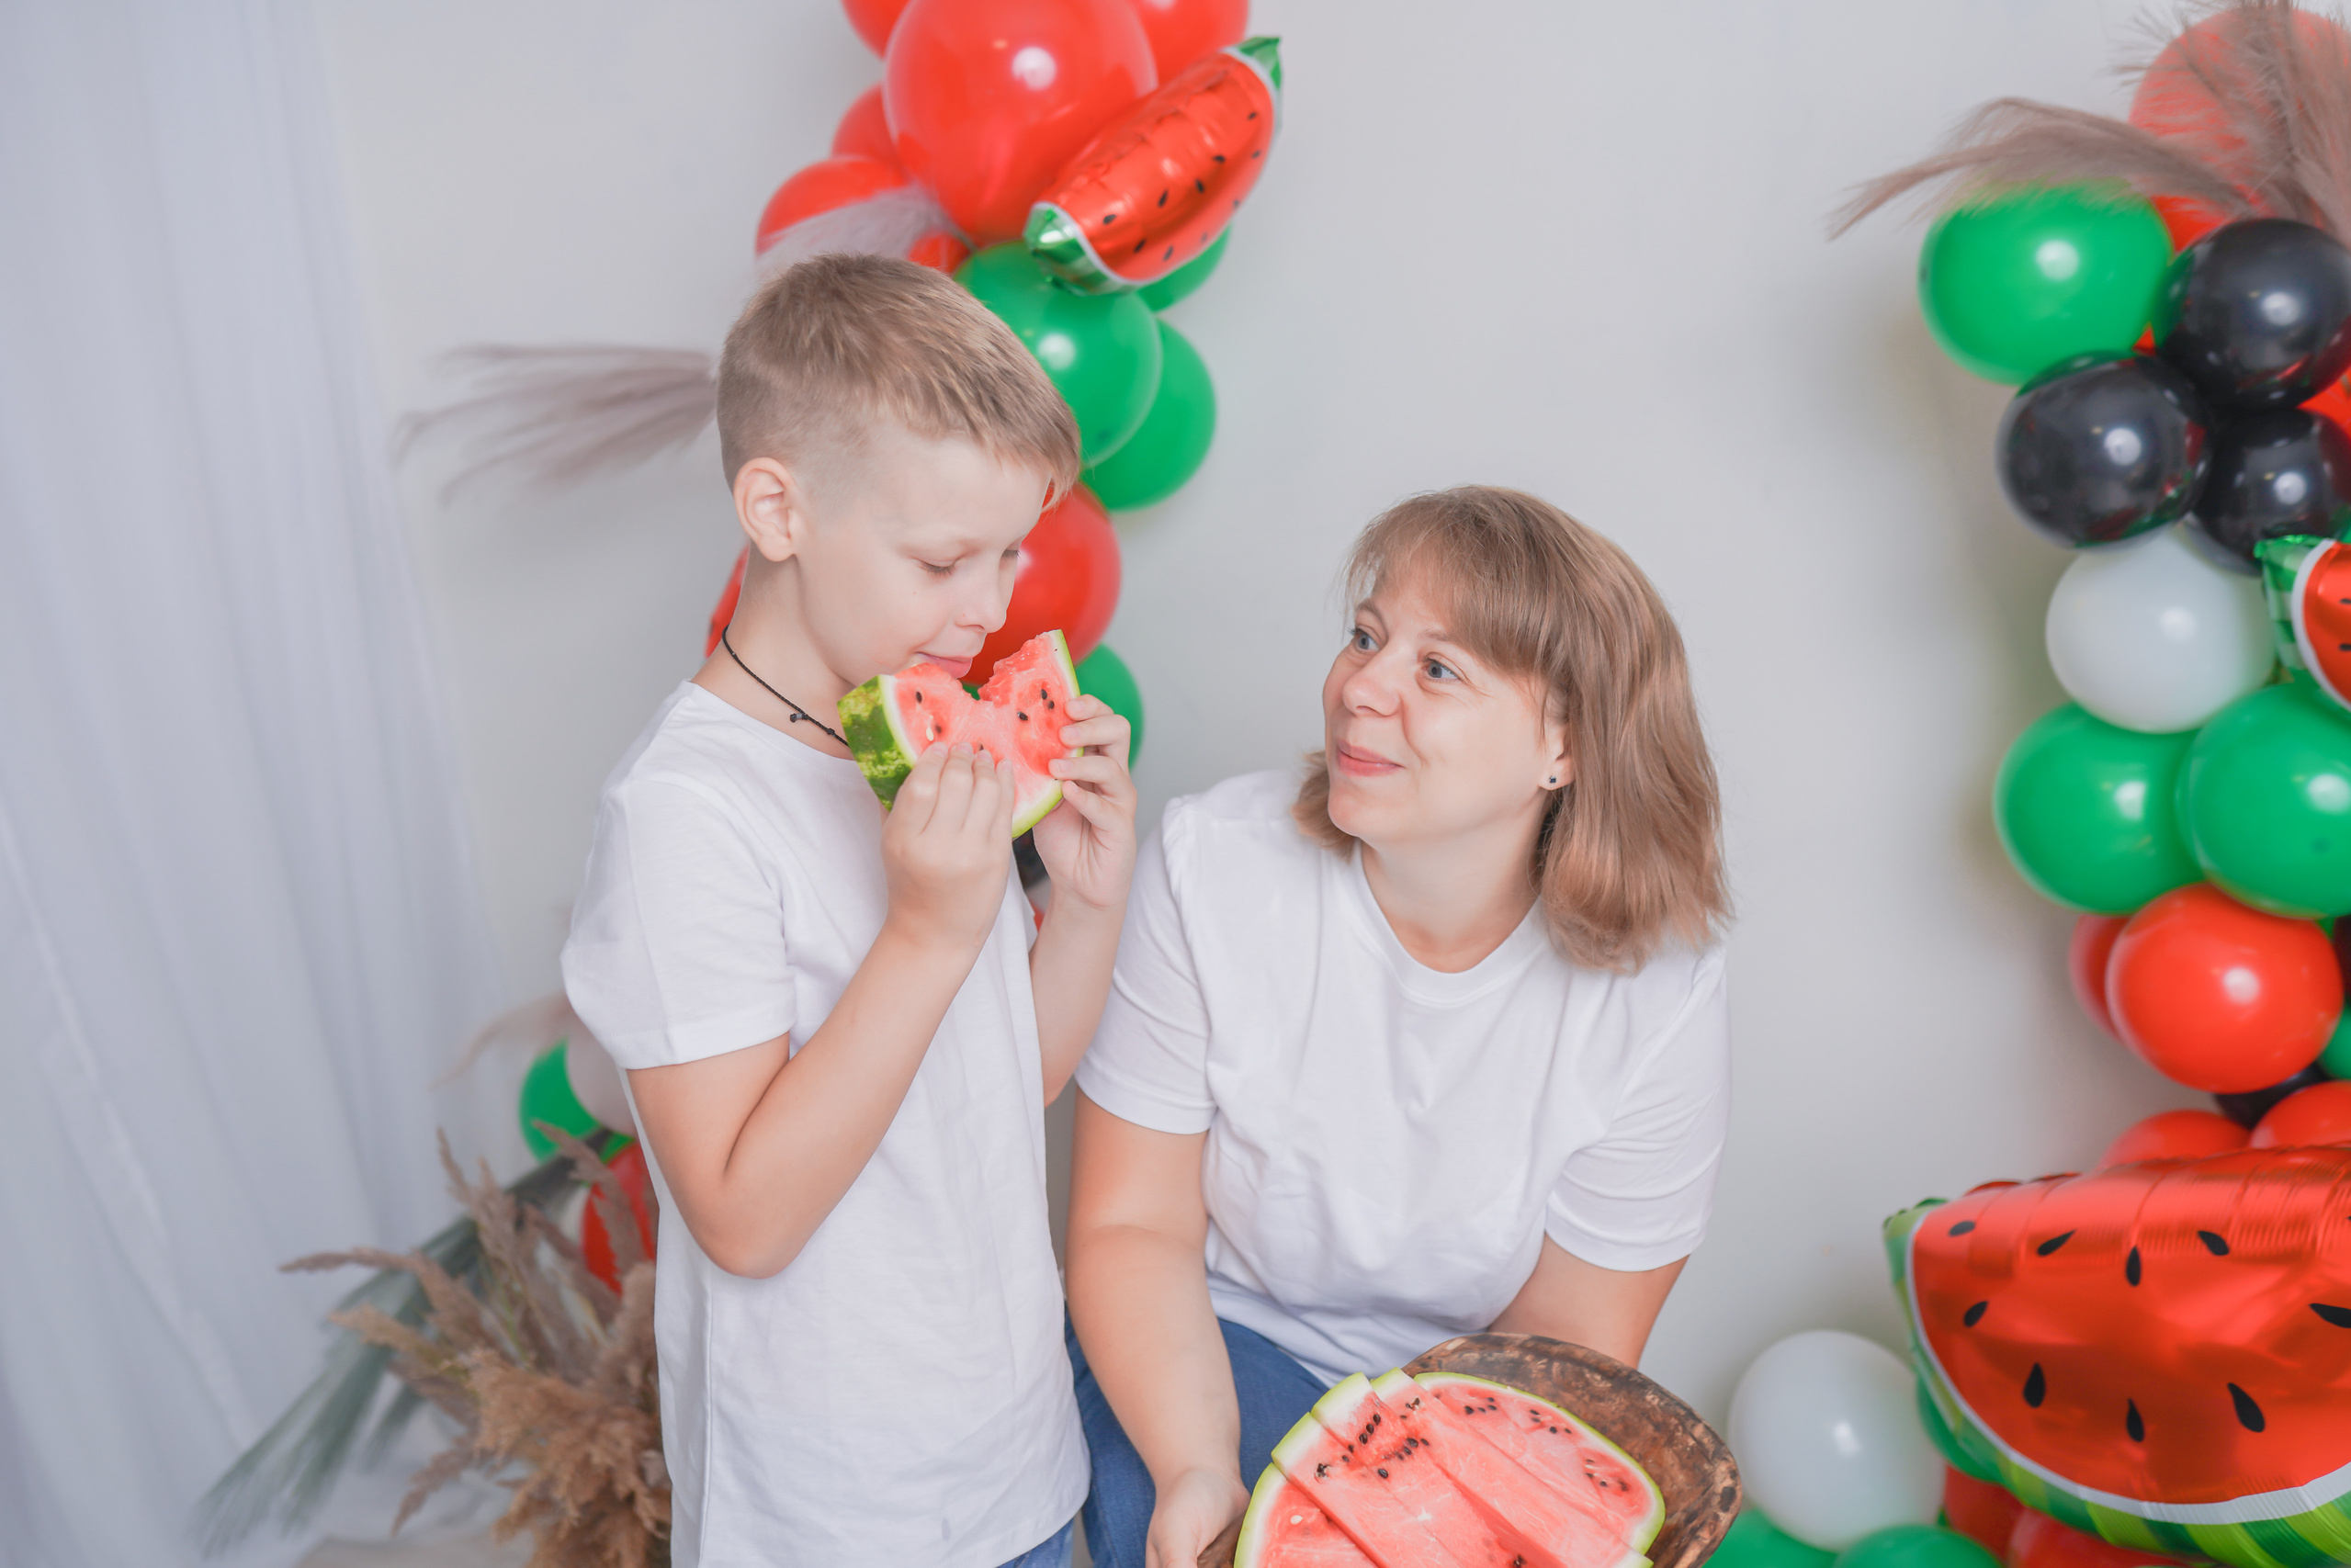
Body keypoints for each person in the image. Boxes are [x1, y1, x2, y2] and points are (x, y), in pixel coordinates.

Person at [560, 254, 1136, 1568]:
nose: (989, 608)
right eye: (943, 557)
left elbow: (993, 1081)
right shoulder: (681, 816)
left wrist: (1087, 907)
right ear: (776, 506)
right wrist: (929, 931)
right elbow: (744, 1215)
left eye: (1008, 555)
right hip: (834, 1509)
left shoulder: (904, 746)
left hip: (1012, 1456)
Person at [1064, 486, 1731, 1568]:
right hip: (1209, 1350)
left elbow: (1562, 1358)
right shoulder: (1210, 865)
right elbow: (1131, 1231)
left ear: (1564, 744)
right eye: (1365, 636)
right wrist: (1196, 1468)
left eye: (1437, 670)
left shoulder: (1660, 996)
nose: (1360, 687)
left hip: (1465, 1411)